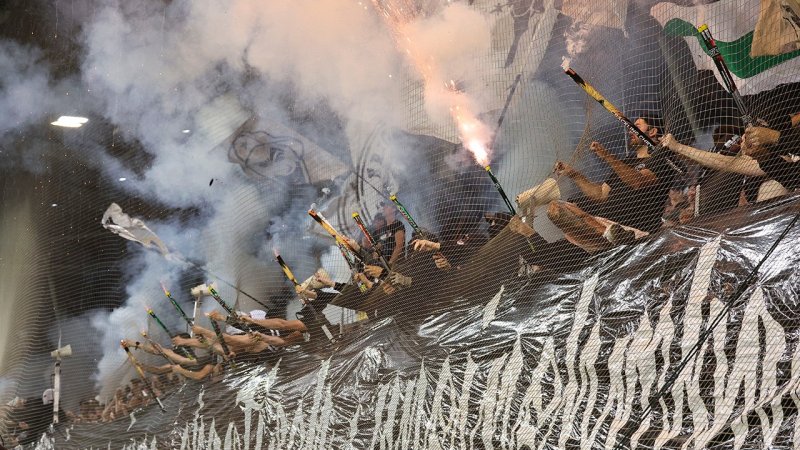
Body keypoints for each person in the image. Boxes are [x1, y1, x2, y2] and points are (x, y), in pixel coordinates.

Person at [547, 115, 679, 253]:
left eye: (637, 126)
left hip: (636, 230)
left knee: (568, 213)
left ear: (652, 131)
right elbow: (601, 194)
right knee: (560, 207)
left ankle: (614, 236)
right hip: (605, 225)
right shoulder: (626, 162)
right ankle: (609, 235)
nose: (630, 131)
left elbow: (638, 181)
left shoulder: (662, 159)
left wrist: (607, 156)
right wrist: (573, 174)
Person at [661, 116, 800, 201]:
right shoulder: (751, 155)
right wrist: (679, 148)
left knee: (771, 190)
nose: (743, 143)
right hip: (758, 187)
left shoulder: (773, 134)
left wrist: (773, 136)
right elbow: (726, 162)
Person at [373, 201, 406, 266]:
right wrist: (376, 252)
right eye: (383, 206)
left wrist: (390, 264)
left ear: (394, 209)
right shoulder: (383, 228)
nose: (384, 208)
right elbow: (381, 244)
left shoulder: (397, 224)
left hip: (397, 264)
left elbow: (399, 246)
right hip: (385, 265)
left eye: (387, 206)